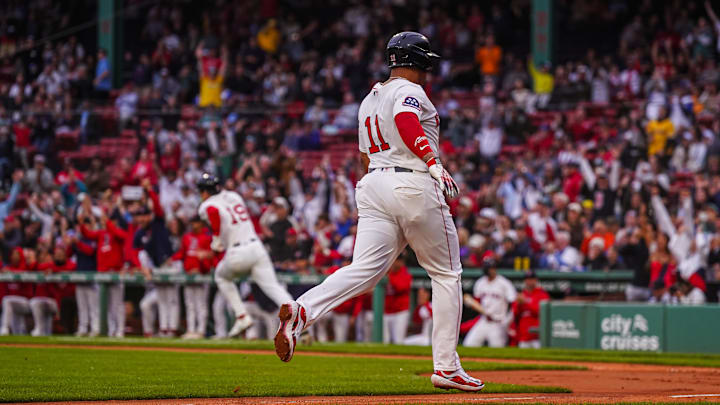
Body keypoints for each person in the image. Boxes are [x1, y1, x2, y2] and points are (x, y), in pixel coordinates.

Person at [274, 32, 484, 392]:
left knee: (364, 271)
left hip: (373, 184)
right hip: (413, 182)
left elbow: (364, 157)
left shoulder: (368, 100)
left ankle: (303, 310)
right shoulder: (410, 92)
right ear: (417, 61)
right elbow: (406, 120)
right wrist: (433, 163)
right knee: (447, 275)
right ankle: (447, 367)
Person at [197, 173, 293, 338]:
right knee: (273, 287)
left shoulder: (206, 205)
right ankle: (298, 318)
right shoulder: (233, 196)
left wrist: (216, 240)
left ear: (204, 191)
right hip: (257, 248)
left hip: (238, 252)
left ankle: (242, 316)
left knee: (221, 276)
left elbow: (213, 212)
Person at [173, 216, 214, 339]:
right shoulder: (186, 237)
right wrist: (172, 259)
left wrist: (202, 268)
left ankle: (201, 330)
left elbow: (211, 256)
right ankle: (191, 329)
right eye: (192, 223)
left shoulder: (207, 237)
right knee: (190, 304)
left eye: (196, 223)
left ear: (201, 224)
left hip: (202, 274)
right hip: (188, 274)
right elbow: (183, 253)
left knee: (201, 304)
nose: (194, 225)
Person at [462, 258, 516, 348]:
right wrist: (470, 302)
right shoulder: (480, 283)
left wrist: (507, 320)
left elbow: (513, 302)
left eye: (493, 268)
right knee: (469, 344)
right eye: (489, 268)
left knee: (497, 349)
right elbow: (477, 302)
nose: (491, 270)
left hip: (498, 322)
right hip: (484, 320)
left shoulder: (504, 283)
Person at [512, 271, 549, 349]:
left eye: (532, 279)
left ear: (536, 280)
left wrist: (525, 302)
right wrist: (519, 304)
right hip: (523, 336)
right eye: (527, 279)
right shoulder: (522, 295)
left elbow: (541, 312)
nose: (529, 281)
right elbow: (514, 314)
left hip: (537, 336)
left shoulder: (542, 294)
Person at [384, 255, 412, 344]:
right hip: (386, 311)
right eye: (395, 260)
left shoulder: (405, 273)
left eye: (398, 261)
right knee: (385, 340)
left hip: (400, 312)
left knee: (398, 340)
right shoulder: (387, 272)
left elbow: (401, 287)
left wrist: (389, 277)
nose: (396, 263)